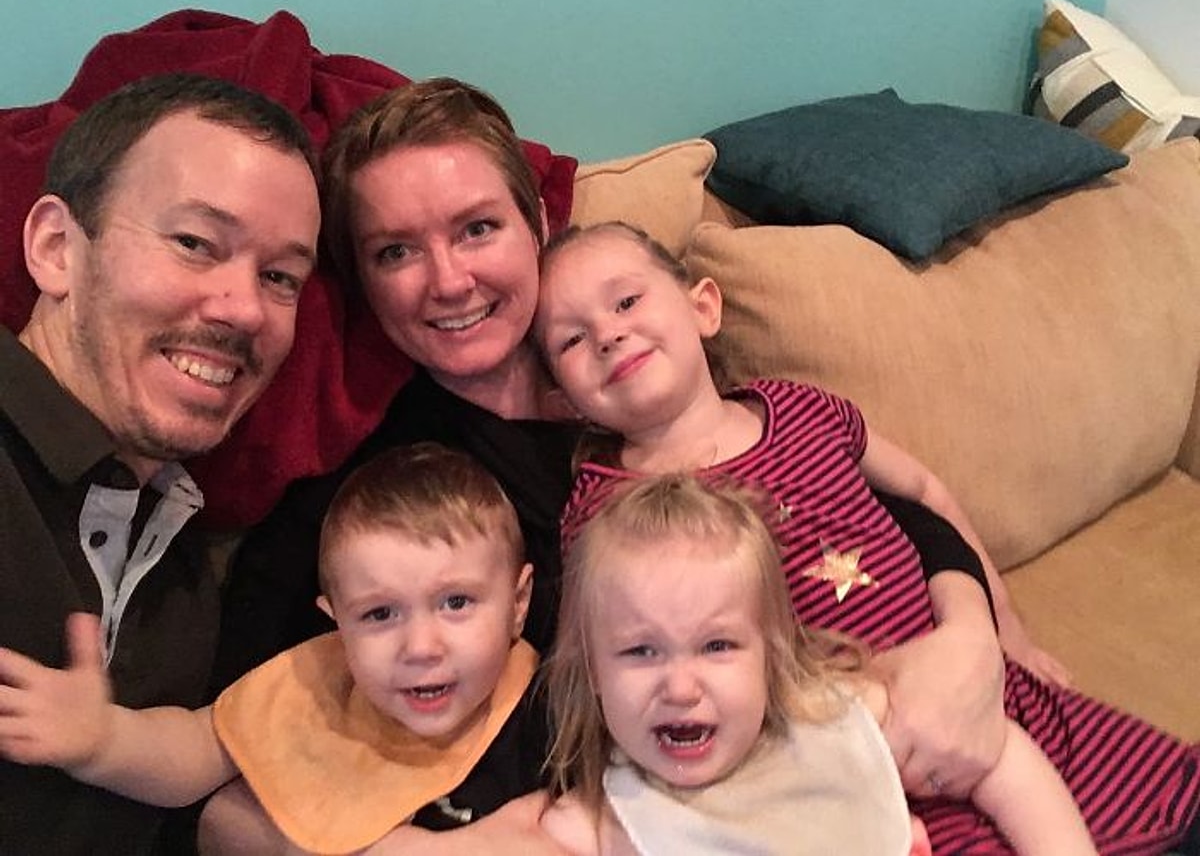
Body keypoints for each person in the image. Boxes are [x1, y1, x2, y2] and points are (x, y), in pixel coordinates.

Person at [205, 78, 1041, 849]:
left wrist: (972, 636)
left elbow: (847, 487)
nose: (449, 280)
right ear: (360, 280)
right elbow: (232, 793)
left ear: (537, 224)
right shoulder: (384, 493)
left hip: (877, 738)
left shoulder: (642, 370)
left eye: (477, 228)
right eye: (395, 251)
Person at [532, 219, 1200, 854]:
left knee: (1162, 803)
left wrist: (1003, 627)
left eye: (626, 301)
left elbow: (924, 494)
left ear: (703, 306)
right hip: (853, 759)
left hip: (989, 695)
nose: (608, 335)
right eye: (572, 340)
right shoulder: (601, 512)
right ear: (562, 398)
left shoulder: (800, 407)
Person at [0, 72, 321, 855]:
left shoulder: (183, 563)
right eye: (195, 244)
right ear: (56, 249)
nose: (244, 308)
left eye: (280, 277)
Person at [0, 443, 549, 853]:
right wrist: (101, 741)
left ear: (519, 603)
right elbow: (197, 749)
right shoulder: (318, 684)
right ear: (336, 623)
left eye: (456, 602)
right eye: (379, 614)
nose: (421, 647)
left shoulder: (551, 716)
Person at [541, 472, 1098, 856]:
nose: (681, 688)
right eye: (641, 651)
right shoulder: (596, 823)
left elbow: (999, 756)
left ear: (771, 652)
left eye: (717, 646)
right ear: (592, 670)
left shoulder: (835, 721)